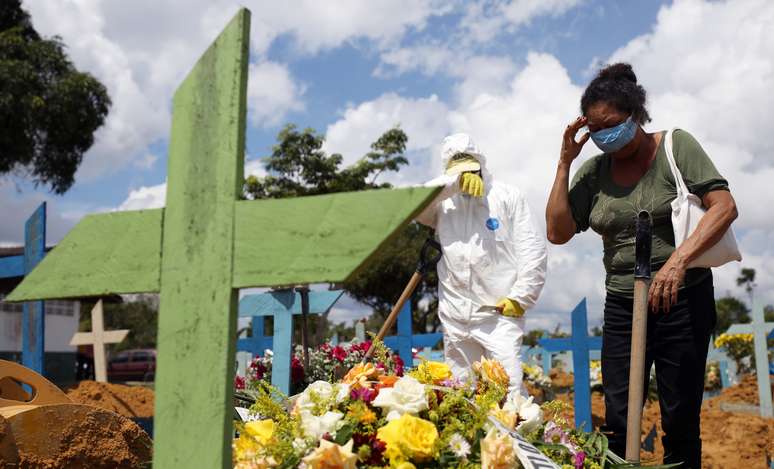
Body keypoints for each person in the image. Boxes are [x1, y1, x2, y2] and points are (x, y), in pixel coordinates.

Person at [545, 63, 738, 468]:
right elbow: (558, 231)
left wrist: (679, 261)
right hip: (622, 305)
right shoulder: (595, 171)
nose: (605, 136)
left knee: (680, 420)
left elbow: (724, 206)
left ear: (636, 115)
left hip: (682, 300)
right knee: (617, 418)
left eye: (613, 125)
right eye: (595, 130)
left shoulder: (675, 147)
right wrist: (564, 163)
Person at [417, 132, 547, 396]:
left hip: (497, 314)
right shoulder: (443, 204)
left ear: (480, 164)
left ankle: (517, 437)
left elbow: (532, 250)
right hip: (455, 317)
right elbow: (415, 203)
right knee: (461, 394)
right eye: (458, 171)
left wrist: (521, 297)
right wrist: (453, 184)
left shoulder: (507, 197)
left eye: (470, 168)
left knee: (508, 390)